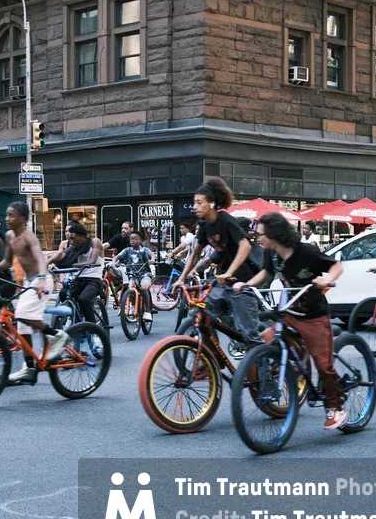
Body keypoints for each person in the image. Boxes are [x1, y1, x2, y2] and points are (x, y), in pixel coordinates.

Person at [235, 212, 346, 429]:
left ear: (275, 234)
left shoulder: (306, 251)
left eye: (261, 234)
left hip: (314, 317)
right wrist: (247, 285)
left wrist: (327, 279)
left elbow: (336, 266)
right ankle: (284, 379)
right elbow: (266, 273)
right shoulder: (272, 253)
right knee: (265, 342)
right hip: (289, 313)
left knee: (324, 366)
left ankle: (337, 407)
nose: (258, 239)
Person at [176, 177, 265, 344]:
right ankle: (208, 362)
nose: (194, 207)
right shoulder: (204, 225)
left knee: (249, 336)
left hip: (243, 281)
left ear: (211, 203)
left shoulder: (226, 220)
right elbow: (196, 254)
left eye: (199, 202)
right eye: (194, 202)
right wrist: (181, 278)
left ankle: (263, 364)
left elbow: (245, 246)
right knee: (199, 315)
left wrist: (230, 272)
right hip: (223, 281)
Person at [0, 202, 69, 384]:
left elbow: (40, 259)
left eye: (11, 215)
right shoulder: (10, 236)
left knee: (21, 313)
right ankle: (29, 367)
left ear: (23, 219)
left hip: (41, 281)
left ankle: (57, 334)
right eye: (6, 214)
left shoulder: (29, 237)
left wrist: (42, 278)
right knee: (21, 325)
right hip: (29, 282)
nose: (7, 219)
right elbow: (6, 262)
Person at [50, 222, 105, 325]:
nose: (70, 241)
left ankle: (92, 330)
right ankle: (72, 318)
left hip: (93, 280)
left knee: (84, 299)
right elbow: (61, 254)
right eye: (69, 238)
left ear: (81, 237)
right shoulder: (74, 246)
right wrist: (48, 262)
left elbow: (92, 261)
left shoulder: (95, 242)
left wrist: (73, 265)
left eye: (73, 238)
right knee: (64, 294)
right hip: (78, 278)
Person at [115, 231, 156, 321]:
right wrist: (113, 262)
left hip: (144, 274)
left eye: (135, 239)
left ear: (140, 240)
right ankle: (132, 306)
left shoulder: (144, 250)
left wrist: (152, 260)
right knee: (130, 290)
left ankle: (147, 311)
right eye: (131, 239)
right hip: (132, 275)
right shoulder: (127, 250)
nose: (132, 241)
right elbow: (117, 257)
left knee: (144, 287)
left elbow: (152, 254)